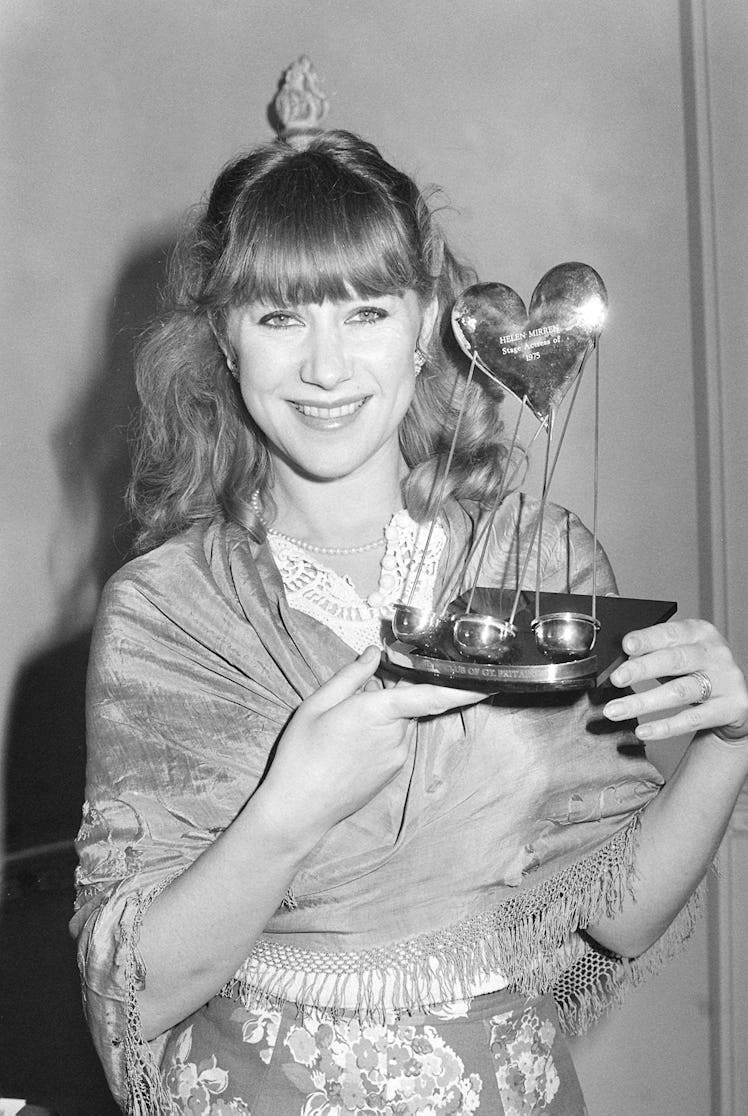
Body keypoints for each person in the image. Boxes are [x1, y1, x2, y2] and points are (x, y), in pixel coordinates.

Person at [71, 128, 748, 1116]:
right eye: (279, 316)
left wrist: (729, 746)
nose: (327, 366)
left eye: (366, 310)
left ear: (429, 319)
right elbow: (135, 998)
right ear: (221, 333)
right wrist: (290, 806)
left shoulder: (541, 562)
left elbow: (618, 915)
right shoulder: (167, 612)